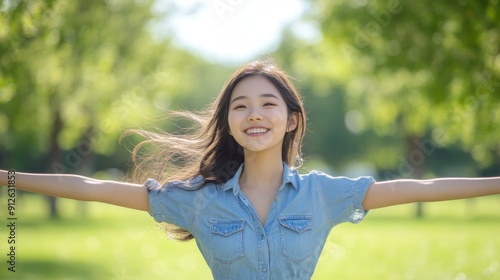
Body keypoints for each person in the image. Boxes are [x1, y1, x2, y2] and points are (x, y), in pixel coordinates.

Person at [1, 58, 499, 279]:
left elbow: (418, 187)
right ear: (229, 122)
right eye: (240, 106)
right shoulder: (196, 198)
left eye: (268, 104)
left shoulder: (324, 194)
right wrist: (10, 179)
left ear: (291, 119)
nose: (255, 114)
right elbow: (91, 186)